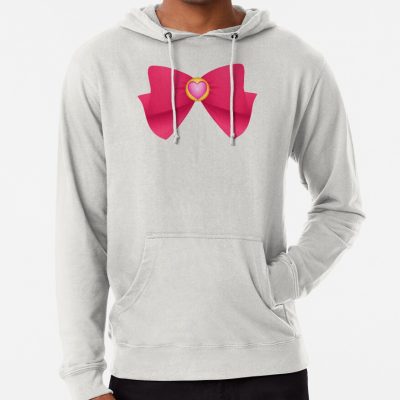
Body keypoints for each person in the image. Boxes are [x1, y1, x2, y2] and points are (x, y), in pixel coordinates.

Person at [55, 1, 365, 399]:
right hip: (147, 365)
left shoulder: (297, 63)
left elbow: (342, 206)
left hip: (271, 365)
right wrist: (84, 379)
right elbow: (81, 223)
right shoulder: (99, 63)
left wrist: (279, 282)